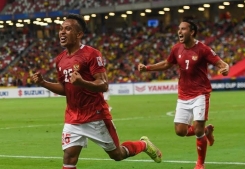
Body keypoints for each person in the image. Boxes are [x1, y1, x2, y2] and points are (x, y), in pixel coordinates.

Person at [31, 13, 162, 169]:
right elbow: (65, 89)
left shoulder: (91, 54)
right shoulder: (60, 59)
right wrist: (43, 82)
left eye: (67, 29)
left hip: (96, 115)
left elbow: (103, 84)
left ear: (79, 34)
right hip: (72, 117)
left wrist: (82, 82)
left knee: (117, 155)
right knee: (69, 158)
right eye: (61, 29)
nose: (62, 32)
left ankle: (143, 145)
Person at [138, 20, 229, 169]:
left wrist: (226, 68)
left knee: (197, 130)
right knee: (180, 131)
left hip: (200, 93)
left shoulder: (203, 49)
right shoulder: (176, 49)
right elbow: (167, 64)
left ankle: (200, 163)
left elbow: (221, 63)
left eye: (183, 29)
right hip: (183, 95)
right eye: (179, 29)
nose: (179, 32)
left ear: (192, 32)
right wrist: (148, 68)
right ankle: (206, 131)